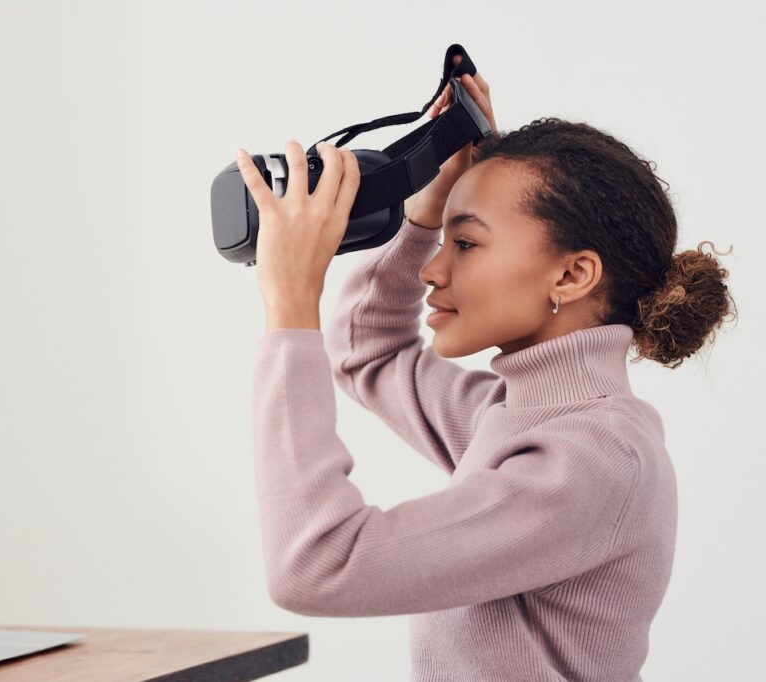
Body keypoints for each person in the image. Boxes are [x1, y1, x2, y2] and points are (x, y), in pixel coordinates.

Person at [235, 65, 735, 682]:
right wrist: (423, 215)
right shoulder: (513, 416)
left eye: (465, 244)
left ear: (572, 275)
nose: (431, 270)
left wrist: (290, 302)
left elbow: (320, 565)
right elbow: (367, 349)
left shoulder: (590, 458)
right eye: (442, 242)